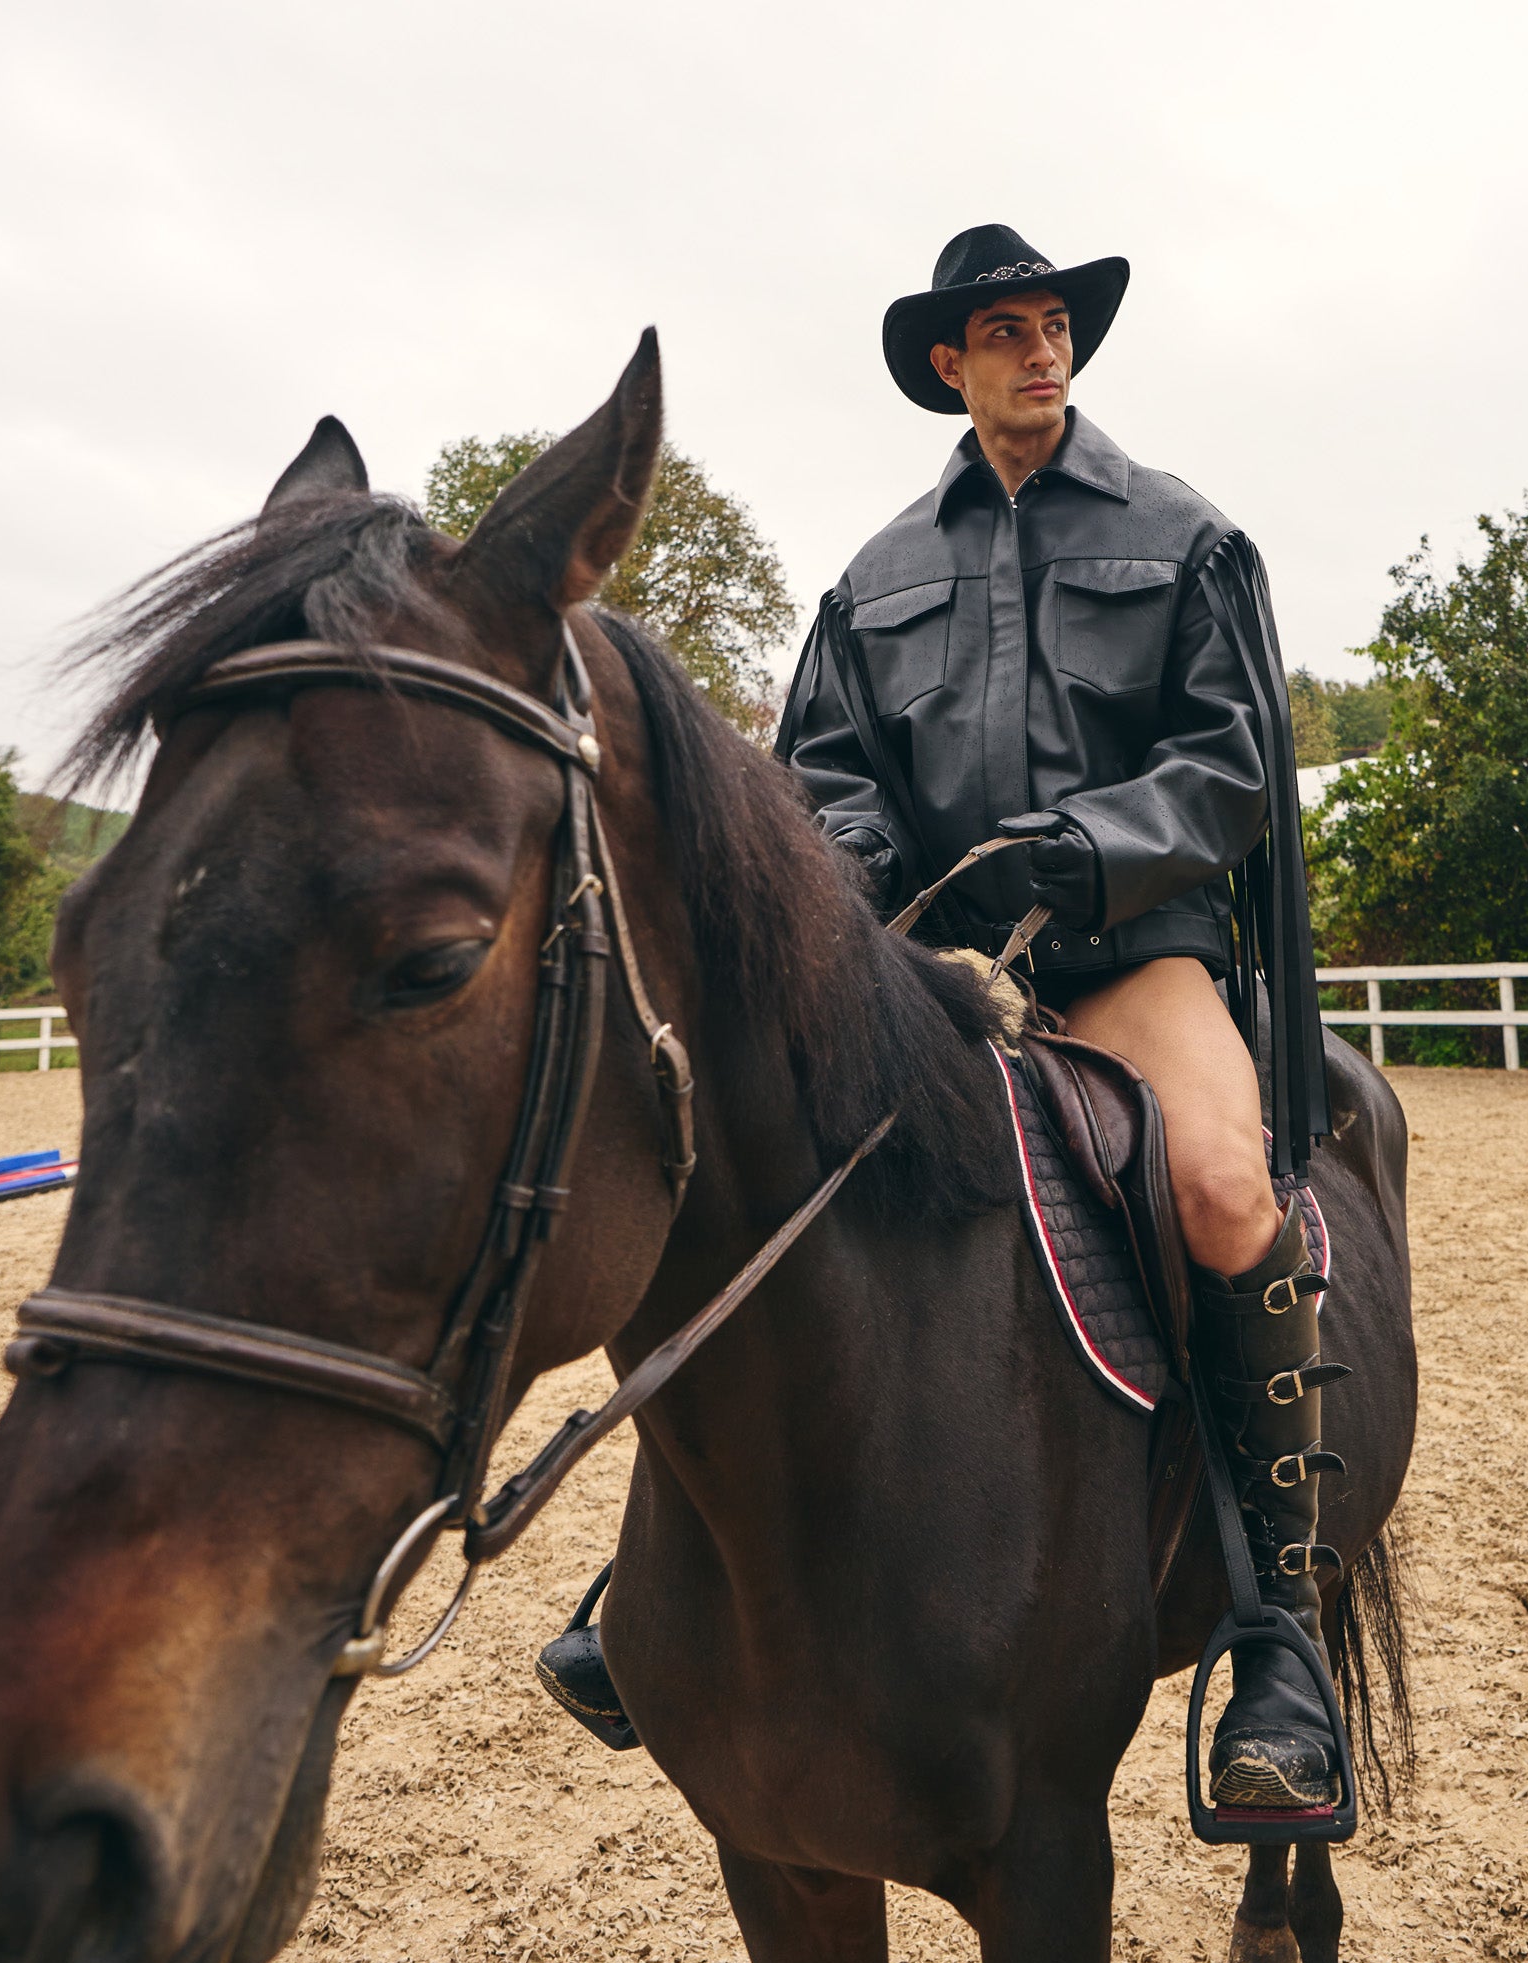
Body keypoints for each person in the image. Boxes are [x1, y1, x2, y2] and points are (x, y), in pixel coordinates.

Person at [543, 224, 1342, 1812]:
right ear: (947, 366)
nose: (1042, 349)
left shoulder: (1189, 539)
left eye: (1056, 326)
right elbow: (825, 778)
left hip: (1128, 956)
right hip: (928, 967)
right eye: (1007, 331)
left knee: (1220, 1192)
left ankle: (1280, 1632)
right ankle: (651, 1572)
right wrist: (851, 874)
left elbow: (1236, 763)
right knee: (754, 1170)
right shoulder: (877, 576)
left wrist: (1095, 845)